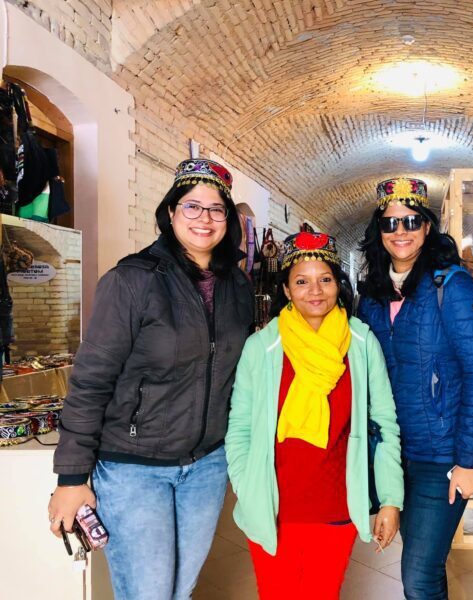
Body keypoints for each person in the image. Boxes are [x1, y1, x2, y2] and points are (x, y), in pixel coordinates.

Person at [48, 158, 254, 599]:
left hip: (206, 466)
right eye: (192, 206)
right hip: (133, 468)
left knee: (179, 591)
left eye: (217, 208)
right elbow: (90, 381)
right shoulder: (132, 281)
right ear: (171, 212)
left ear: (229, 220)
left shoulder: (238, 286)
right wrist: (71, 477)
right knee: (149, 593)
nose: (204, 217)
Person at [226, 230, 404, 599]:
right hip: (274, 507)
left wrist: (390, 498)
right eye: (302, 282)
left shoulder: (360, 342)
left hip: (335, 508)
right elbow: (239, 427)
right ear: (287, 291)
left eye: (325, 279)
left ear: (338, 284)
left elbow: (385, 426)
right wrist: (246, 485)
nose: (315, 291)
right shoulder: (262, 346)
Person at [357, 178, 473, 599]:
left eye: (412, 220)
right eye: (390, 222)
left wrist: (469, 460)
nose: (401, 230)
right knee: (423, 566)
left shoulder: (451, 287)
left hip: (442, 457)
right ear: (378, 232)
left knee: (418, 574)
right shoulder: (373, 296)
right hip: (394, 452)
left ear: (428, 225)